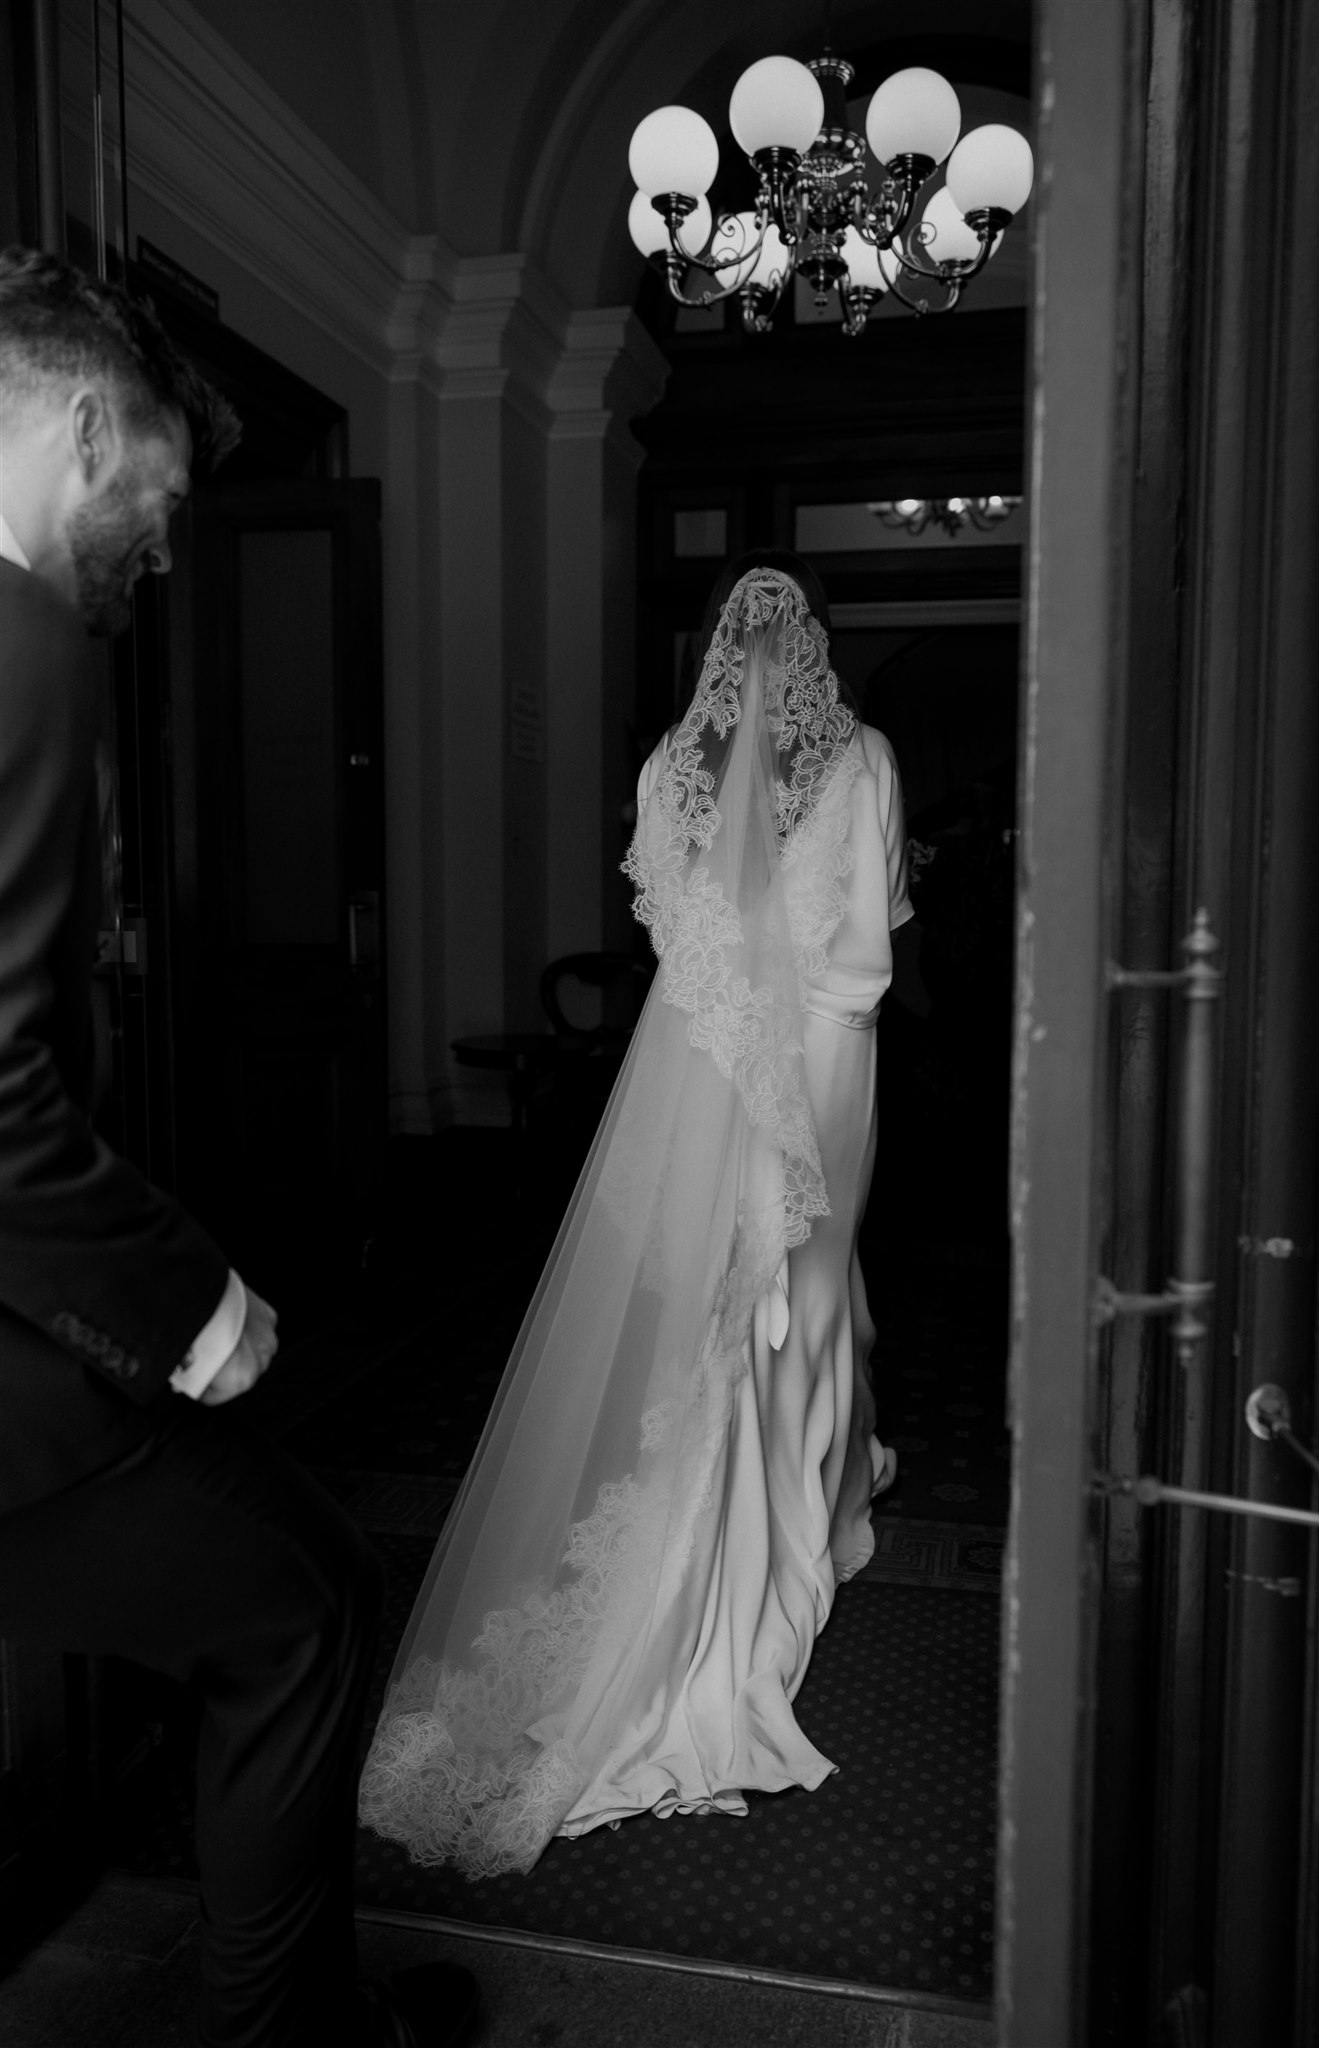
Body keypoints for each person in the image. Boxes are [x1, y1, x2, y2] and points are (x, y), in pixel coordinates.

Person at [0, 247, 476, 2048]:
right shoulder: (25, 639)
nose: (169, 545)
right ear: (73, 426)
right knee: (308, 1606)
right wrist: (196, 1310)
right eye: (164, 496)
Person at [360, 551, 910, 1876]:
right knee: (798, 1310)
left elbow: (676, 949)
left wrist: (735, 1032)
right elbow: (867, 961)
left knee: (704, 1322)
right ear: (815, 641)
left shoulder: (670, 768)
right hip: (821, 1079)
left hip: (693, 1082)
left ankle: (731, 1536)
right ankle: (773, 1551)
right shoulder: (862, 760)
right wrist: (802, 1047)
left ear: (714, 647)